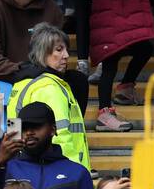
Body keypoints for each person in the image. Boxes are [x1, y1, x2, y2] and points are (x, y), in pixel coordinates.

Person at [89, 0, 154, 129]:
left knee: (145, 48)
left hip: (120, 24)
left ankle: (125, 87)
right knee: (109, 67)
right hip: (110, 25)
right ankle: (104, 113)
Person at [5, 26, 90, 170]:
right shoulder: (49, 88)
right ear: (42, 53)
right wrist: (72, 173)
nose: (66, 55)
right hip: (60, 171)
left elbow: (12, 132)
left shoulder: (21, 83)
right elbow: (60, 136)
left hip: (27, 167)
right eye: (59, 49)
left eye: (66, 50)